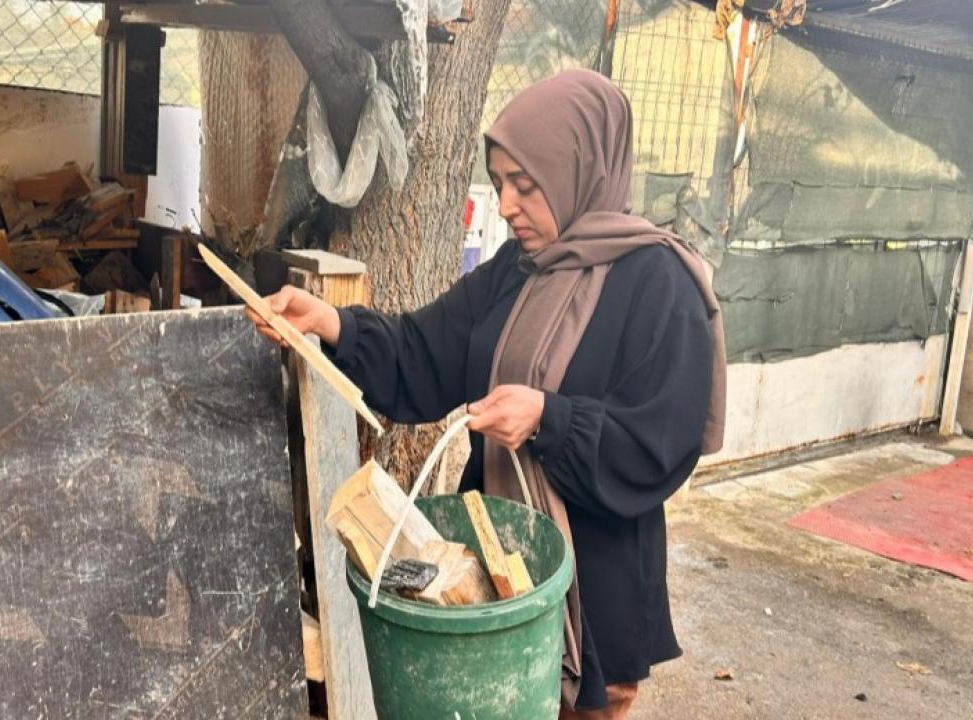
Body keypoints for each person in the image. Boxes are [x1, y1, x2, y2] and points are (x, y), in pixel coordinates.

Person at [247, 69, 726, 720]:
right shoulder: (517, 272)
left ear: (579, 170)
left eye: (525, 187)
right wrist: (332, 323)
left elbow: (659, 442)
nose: (504, 206)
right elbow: (425, 351)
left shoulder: (658, 285)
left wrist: (548, 421)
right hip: (502, 566)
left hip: (601, 589)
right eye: (500, 184)